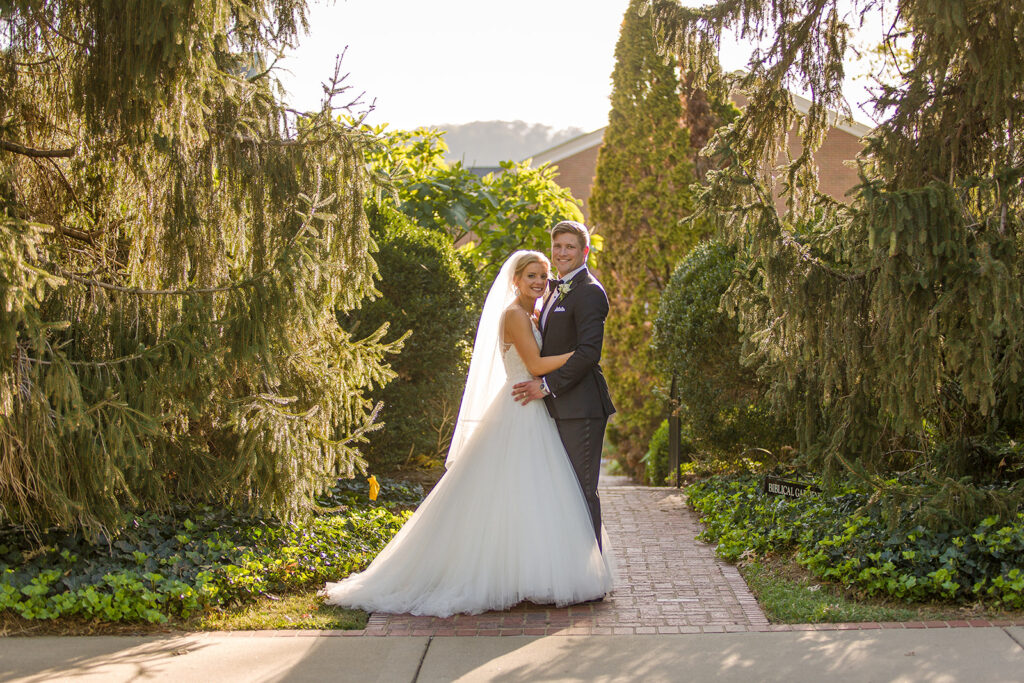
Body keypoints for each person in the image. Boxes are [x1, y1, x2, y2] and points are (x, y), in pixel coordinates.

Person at [322, 250, 613, 617]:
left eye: (543, 276)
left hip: (535, 408)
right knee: (508, 495)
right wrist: (581, 355)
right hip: (520, 409)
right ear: (516, 280)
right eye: (532, 277)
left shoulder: (532, 312)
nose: (540, 282)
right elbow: (536, 364)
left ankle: (523, 571)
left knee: (529, 496)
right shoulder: (513, 315)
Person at [512, 221, 616, 548]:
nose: (562, 252)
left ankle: (592, 570)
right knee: (560, 491)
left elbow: (588, 352)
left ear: (584, 251)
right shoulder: (553, 287)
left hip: (581, 408)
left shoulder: (589, 291)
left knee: (582, 489)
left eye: (570, 246)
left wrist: (546, 386)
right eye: (557, 246)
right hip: (555, 408)